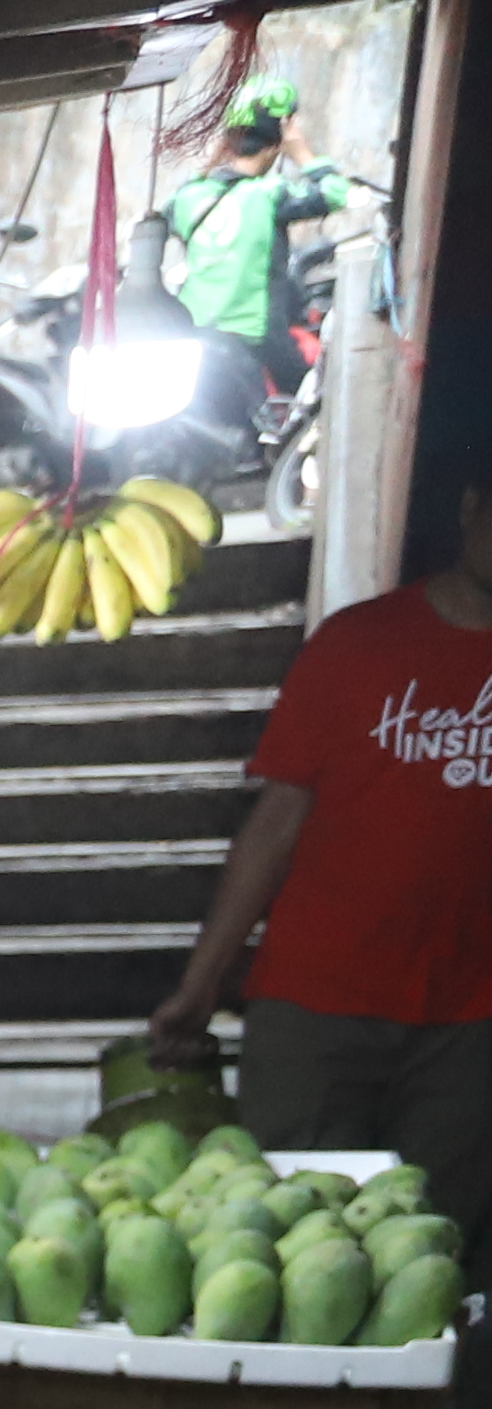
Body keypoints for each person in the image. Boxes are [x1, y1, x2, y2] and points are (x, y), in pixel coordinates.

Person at [146, 475, 492, 1186]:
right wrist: (201, 982)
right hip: (317, 1007)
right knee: (295, 1230)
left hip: (471, 1021)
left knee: (440, 1258)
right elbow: (275, 825)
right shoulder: (357, 646)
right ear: (470, 505)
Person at [152, 76, 347, 389]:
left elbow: (154, 228)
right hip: (257, 341)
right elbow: (336, 193)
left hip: (193, 335)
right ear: (279, 137)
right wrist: (301, 152)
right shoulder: (271, 195)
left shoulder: (187, 196)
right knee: (313, 395)